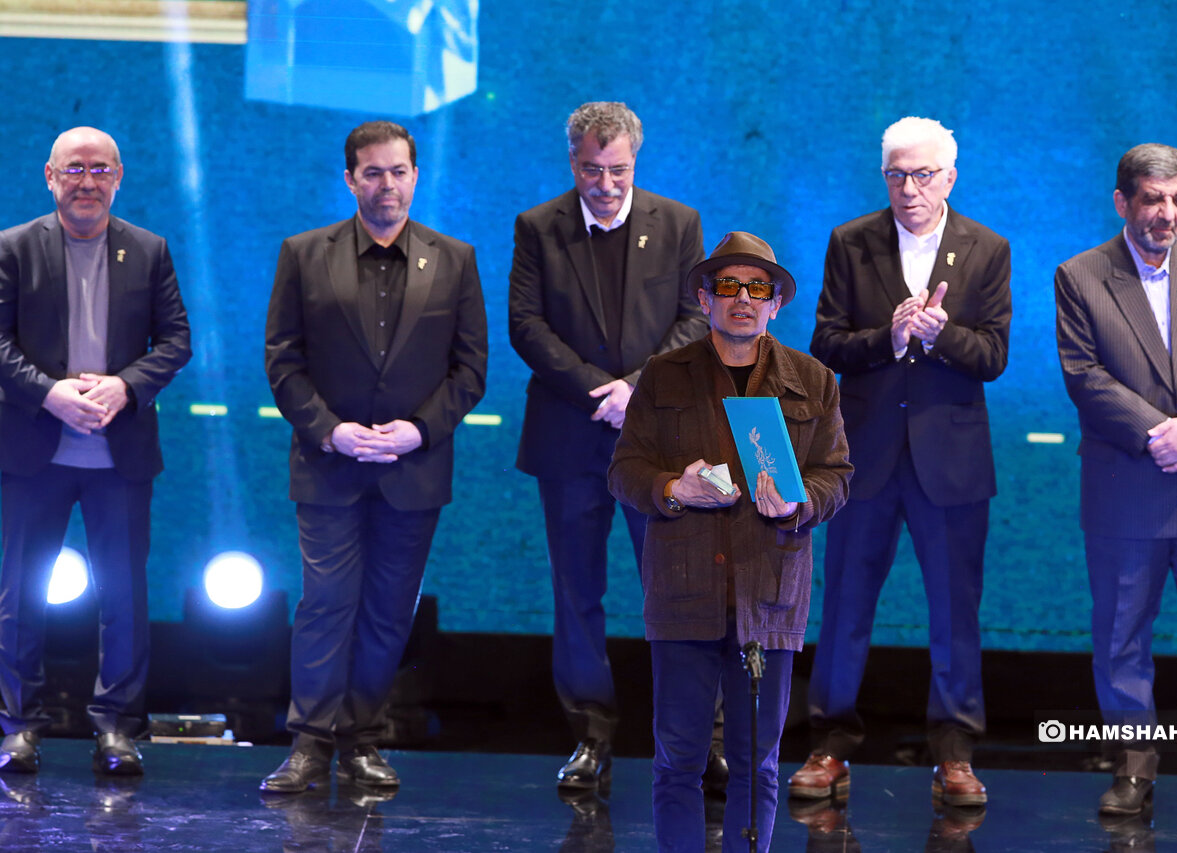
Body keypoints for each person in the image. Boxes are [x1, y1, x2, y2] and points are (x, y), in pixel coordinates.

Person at [261, 120, 487, 793]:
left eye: (398, 171)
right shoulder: (304, 253)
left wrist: (420, 430)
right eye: (372, 172)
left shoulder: (455, 258)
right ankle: (309, 744)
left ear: (416, 176)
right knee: (326, 603)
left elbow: (471, 369)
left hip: (413, 469)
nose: (387, 184)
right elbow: (283, 360)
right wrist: (330, 431)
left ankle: (361, 740)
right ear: (350, 179)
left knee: (389, 611)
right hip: (328, 463)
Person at [609, 231, 853, 852]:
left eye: (757, 288)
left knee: (758, 764)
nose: (742, 298)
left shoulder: (814, 381)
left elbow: (836, 476)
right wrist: (674, 488)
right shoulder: (662, 376)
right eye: (727, 285)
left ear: (776, 304)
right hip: (684, 590)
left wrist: (799, 502)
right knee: (677, 761)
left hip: (768, 593)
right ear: (704, 298)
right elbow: (624, 471)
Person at [796, 116, 1012, 806]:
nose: (909, 188)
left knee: (955, 612)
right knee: (845, 605)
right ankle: (829, 743)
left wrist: (943, 336)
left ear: (950, 177)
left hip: (951, 461)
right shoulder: (850, 241)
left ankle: (955, 755)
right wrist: (886, 339)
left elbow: (994, 356)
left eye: (922, 175)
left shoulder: (988, 248)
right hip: (865, 457)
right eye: (896, 175)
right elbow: (826, 342)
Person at [509, 101, 708, 788]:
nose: (605, 183)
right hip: (569, 436)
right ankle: (590, 737)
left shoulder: (678, 223)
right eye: (592, 169)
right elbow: (526, 325)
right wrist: (600, 391)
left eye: (618, 169)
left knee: (674, 593)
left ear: (635, 161)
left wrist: (635, 389)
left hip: (656, 441)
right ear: (573, 161)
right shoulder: (538, 227)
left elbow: (695, 320)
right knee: (576, 593)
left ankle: (690, 739)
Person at [1055, 143, 1177, 820]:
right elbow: (1083, 374)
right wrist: (1156, 433)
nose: (1166, 213)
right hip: (1127, 490)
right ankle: (1133, 770)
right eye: (1152, 199)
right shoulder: (1080, 276)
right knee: (1121, 639)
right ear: (1122, 201)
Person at [0, 126, 192, 776]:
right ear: (50, 176)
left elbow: (176, 341)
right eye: (75, 168)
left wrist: (125, 386)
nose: (88, 181)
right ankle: (19, 727)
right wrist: (49, 393)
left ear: (119, 176)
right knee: (20, 595)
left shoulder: (150, 250)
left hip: (121, 454)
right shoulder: (13, 248)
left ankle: (117, 729)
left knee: (125, 599)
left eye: (100, 169)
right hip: (35, 449)